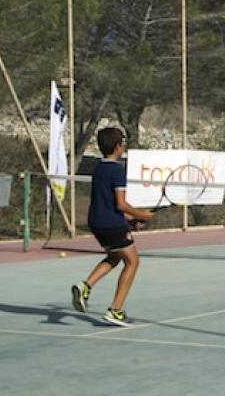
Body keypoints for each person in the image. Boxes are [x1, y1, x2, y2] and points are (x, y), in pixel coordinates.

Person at [70, 127, 155, 327]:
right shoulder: (117, 170)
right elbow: (120, 204)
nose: (124, 146)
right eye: (123, 143)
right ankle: (115, 310)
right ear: (118, 147)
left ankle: (85, 286)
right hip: (110, 223)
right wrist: (142, 214)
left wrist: (129, 221)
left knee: (115, 256)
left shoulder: (98, 168)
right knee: (133, 262)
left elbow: (107, 204)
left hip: (97, 222)